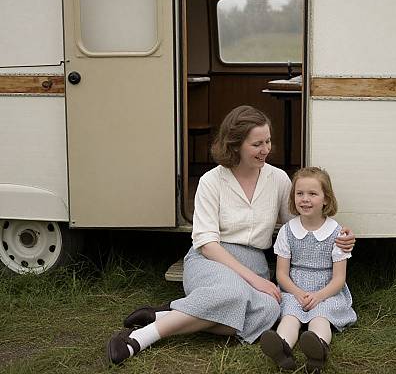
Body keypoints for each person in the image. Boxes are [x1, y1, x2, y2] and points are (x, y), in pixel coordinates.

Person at [106, 106, 355, 365]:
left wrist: (340, 235)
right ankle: (139, 338)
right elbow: (206, 243)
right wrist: (256, 282)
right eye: (257, 144)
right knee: (234, 295)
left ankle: (170, 313)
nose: (266, 149)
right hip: (212, 259)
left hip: (255, 262)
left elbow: (301, 224)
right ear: (235, 145)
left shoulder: (278, 179)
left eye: (268, 141)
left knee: (269, 312)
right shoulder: (211, 181)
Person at [260, 166, 356, 373]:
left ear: (326, 199)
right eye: (300, 193)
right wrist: (297, 293)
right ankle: (282, 347)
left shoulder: (336, 233)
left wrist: (319, 296)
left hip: (326, 290)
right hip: (294, 288)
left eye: (312, 194)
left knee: (320, 318)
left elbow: (339, 279)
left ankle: (317, 349)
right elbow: (282, 274)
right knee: (290, 317)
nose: (305, 199)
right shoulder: (288, 231)